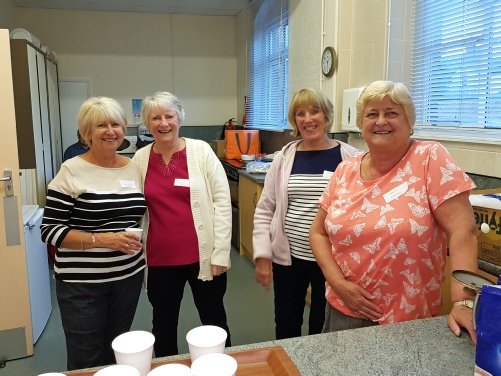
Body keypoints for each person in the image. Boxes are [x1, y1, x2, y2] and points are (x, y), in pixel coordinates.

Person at [309, 80, 479, 343]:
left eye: (391, 113)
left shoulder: (429, 158)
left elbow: (463, 231)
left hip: (408, 318)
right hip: (343, 309)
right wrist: (340, 285)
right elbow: (318, 233)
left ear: (409, 122)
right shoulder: (345, 170)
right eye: (372, 114)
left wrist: (463, 302)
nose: (380, 121)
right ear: (360, 125)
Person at [40, 97, 146, 370]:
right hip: (81, 285)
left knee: (117, 351)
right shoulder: (72, 170)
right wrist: (105, 240)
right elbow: (50, 230)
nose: (110, 131)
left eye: (116, 124)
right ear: (87, 132)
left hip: (127, 278)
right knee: (85, 358)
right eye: (101, 125)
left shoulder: (133, 167)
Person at [252, 88, 362, 340]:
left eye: (315, 111)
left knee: (323, 323)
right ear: (294, 120)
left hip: (333, 259)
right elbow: (265, 209)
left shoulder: (350, 158)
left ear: (326, 116)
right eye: (300, 113)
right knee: (287, 320)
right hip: (289, 256)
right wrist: (262, 254)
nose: (308, 119)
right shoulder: (284, 158)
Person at [132, 91, 232, 357]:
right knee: (163, 326)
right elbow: (132, 206)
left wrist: (221, 252)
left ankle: (223, 368)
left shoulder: (200, 151)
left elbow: (222, 202)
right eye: (156, 118)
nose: (163, 123)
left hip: (203, 257)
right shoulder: (139, 159)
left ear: (179, 118)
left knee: (214, 321)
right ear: (146, 123)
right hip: (159, 260)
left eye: (169, 116)